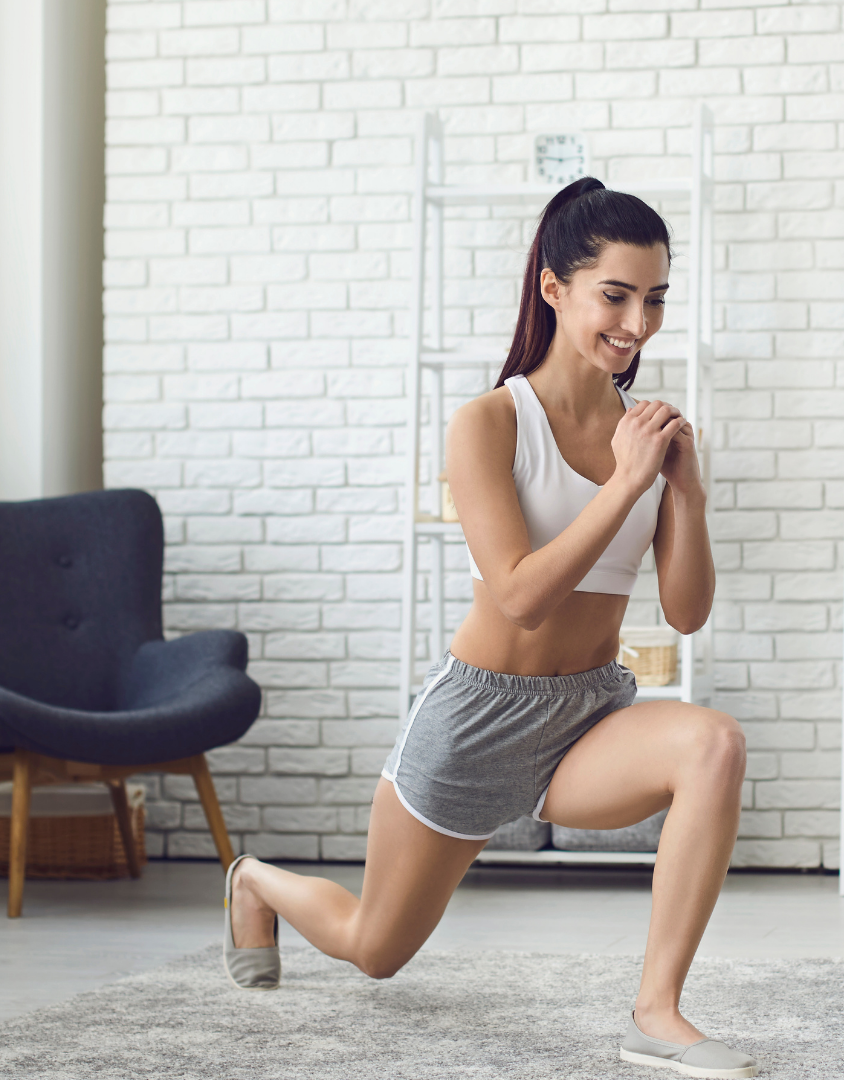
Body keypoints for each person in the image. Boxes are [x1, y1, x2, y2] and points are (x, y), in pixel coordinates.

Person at [220, 177, 755, 1078]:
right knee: (375, 948)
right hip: (474, 722)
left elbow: (687, 613)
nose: (637, 323)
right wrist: (627, 484)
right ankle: (254, 881)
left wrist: (687, 495)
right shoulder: (490, 423)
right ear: (554, 289)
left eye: (655, 298)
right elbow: (517, 597)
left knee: (713, 744)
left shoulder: (647, 436)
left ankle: (655, 1011)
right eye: (614, 295)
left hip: (586, 715)